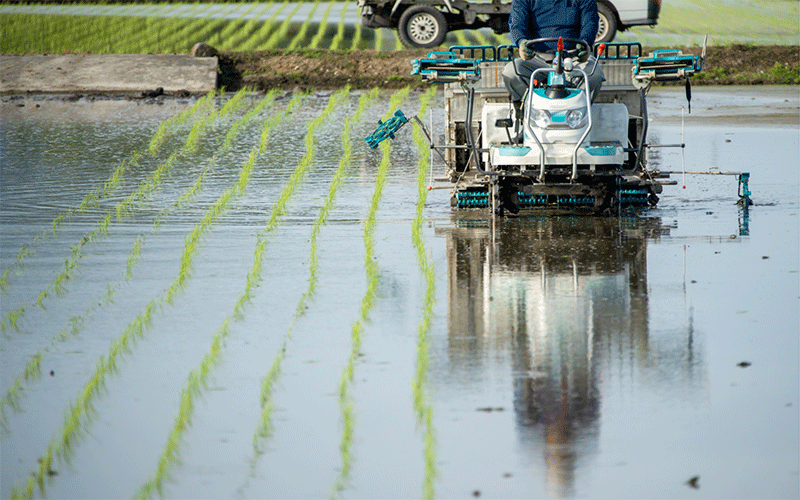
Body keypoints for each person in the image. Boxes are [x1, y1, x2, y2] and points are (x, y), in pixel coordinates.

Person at [502, 0, 606, 110]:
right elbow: (517, 24)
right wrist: (521, 42)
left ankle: (577, 111)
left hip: (572, 57)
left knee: (594, 74)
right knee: (511, 72)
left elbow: (590, 22)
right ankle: (526, 110)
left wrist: (585, 43)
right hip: (536, 57)